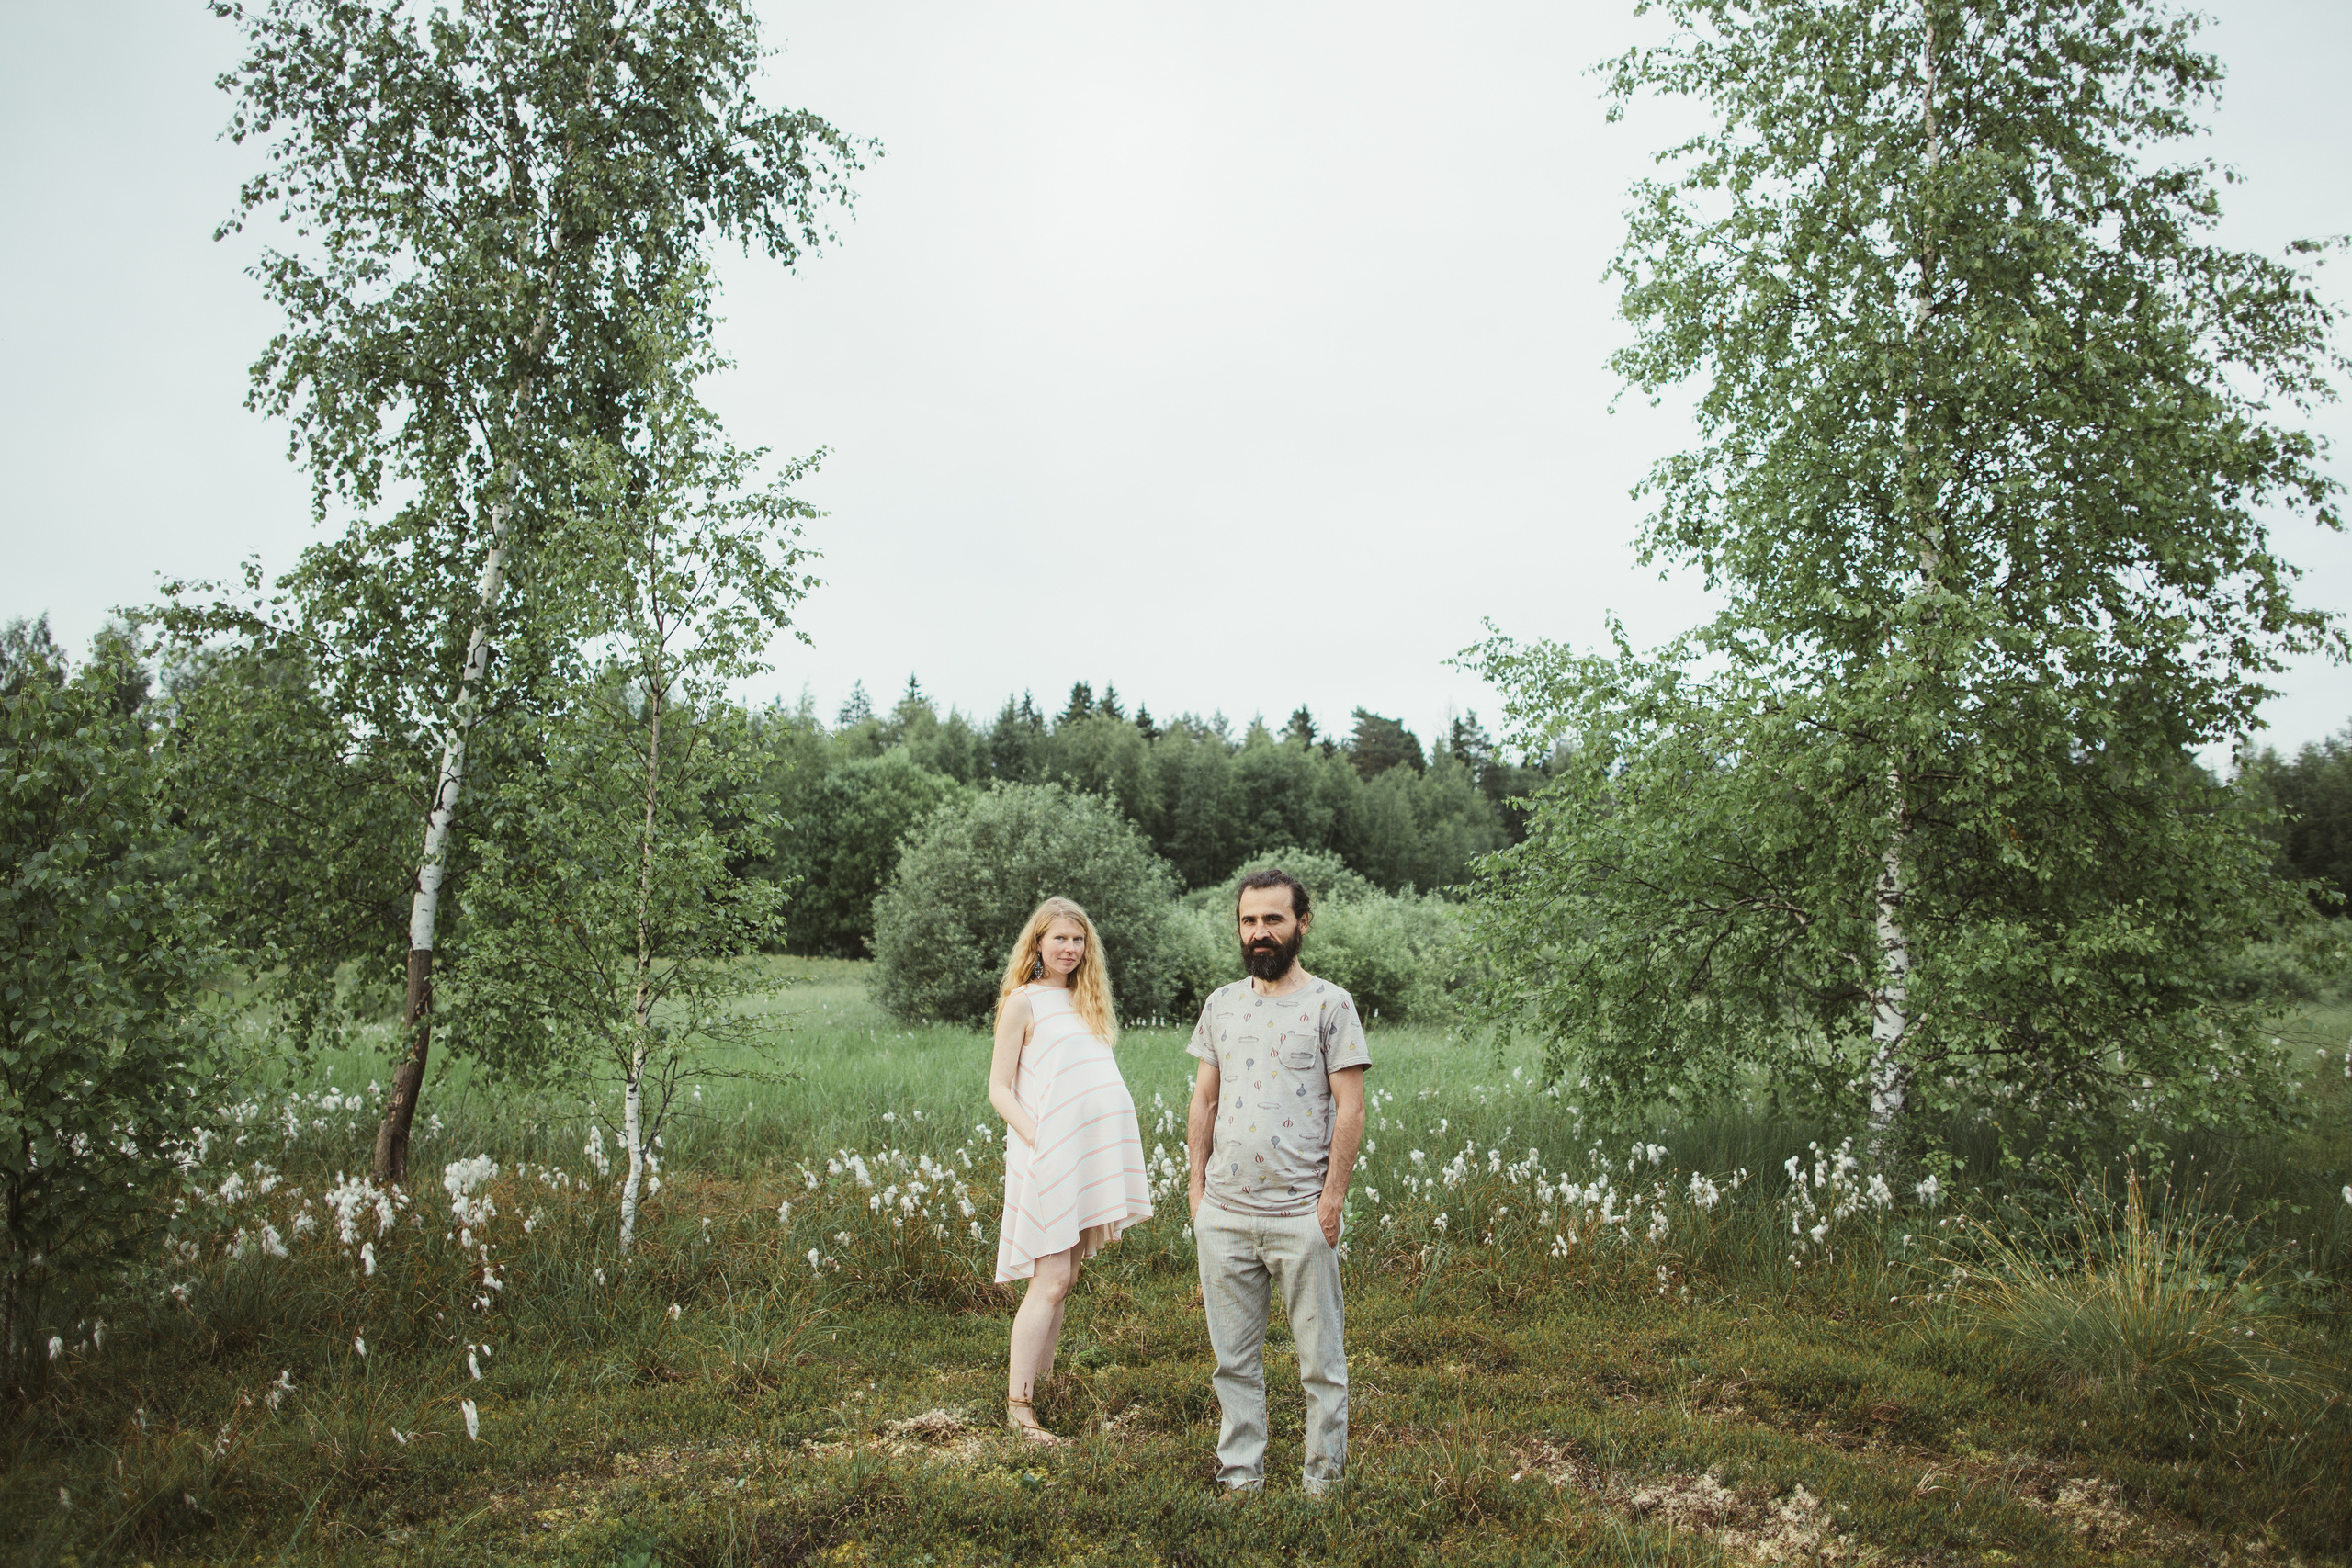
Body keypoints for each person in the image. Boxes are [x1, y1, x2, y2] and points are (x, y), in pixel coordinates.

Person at [1184, 867, 1369, 1495]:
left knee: (1321, 1364)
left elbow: (1351, 1106)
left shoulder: (1330, 1003)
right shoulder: (1220, 1004)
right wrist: (1197, 1195)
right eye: (1248, 920)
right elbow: (1203, 1100)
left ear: (1302, 923)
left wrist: (1331, 1200)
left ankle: (1322, 1483)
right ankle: (1241, 1477)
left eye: (1273, 919)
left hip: (1300, 1216)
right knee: (1231, 1363)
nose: (1259, 932)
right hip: (1226, 1214)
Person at [989, 896, 1154, 1445]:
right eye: (1059, 938)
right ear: (1037, 942)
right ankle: (1019, 1411)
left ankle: (1045, 1387)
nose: (1069, 948)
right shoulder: (1023, 1003)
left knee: (1065, 1278)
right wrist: (1042, 1140)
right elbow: (999, 1089)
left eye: (1078, 940)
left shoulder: (1088, 1003)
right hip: (1047, 1156)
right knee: (1051, 1278)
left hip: (1087, 1155)